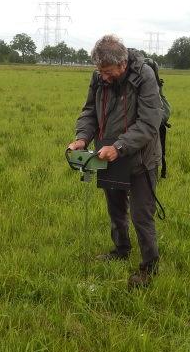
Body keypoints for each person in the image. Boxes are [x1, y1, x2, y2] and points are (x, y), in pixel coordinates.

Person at [67, 34, 162, 288]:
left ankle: (149, 268)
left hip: (141, 156)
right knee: (116, 210)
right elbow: (89, 111)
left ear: (122, 64)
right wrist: (82, 138)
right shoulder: (99, 77)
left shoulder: (144, 77)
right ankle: (121, 251)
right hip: (106, 154)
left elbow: (149, 122)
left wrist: (119, 146)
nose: (103, 77)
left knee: (142, 215)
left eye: (108, 71)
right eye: (100, 71)